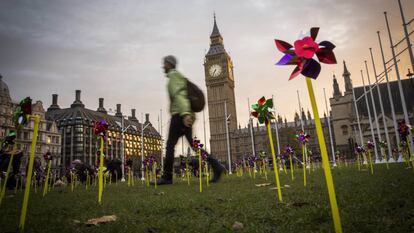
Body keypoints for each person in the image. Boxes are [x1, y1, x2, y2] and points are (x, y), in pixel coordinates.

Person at [153, 55, 224, 185]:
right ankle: (217, 166)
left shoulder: (174, 76)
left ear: (170, 64)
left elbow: (180, 95)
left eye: (165, 63)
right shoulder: (178, 76)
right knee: (194, 146)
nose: (163, 66)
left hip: (180, 115)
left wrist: (185, 114)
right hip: (185, 115)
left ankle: (167, 177)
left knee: (170, 146)